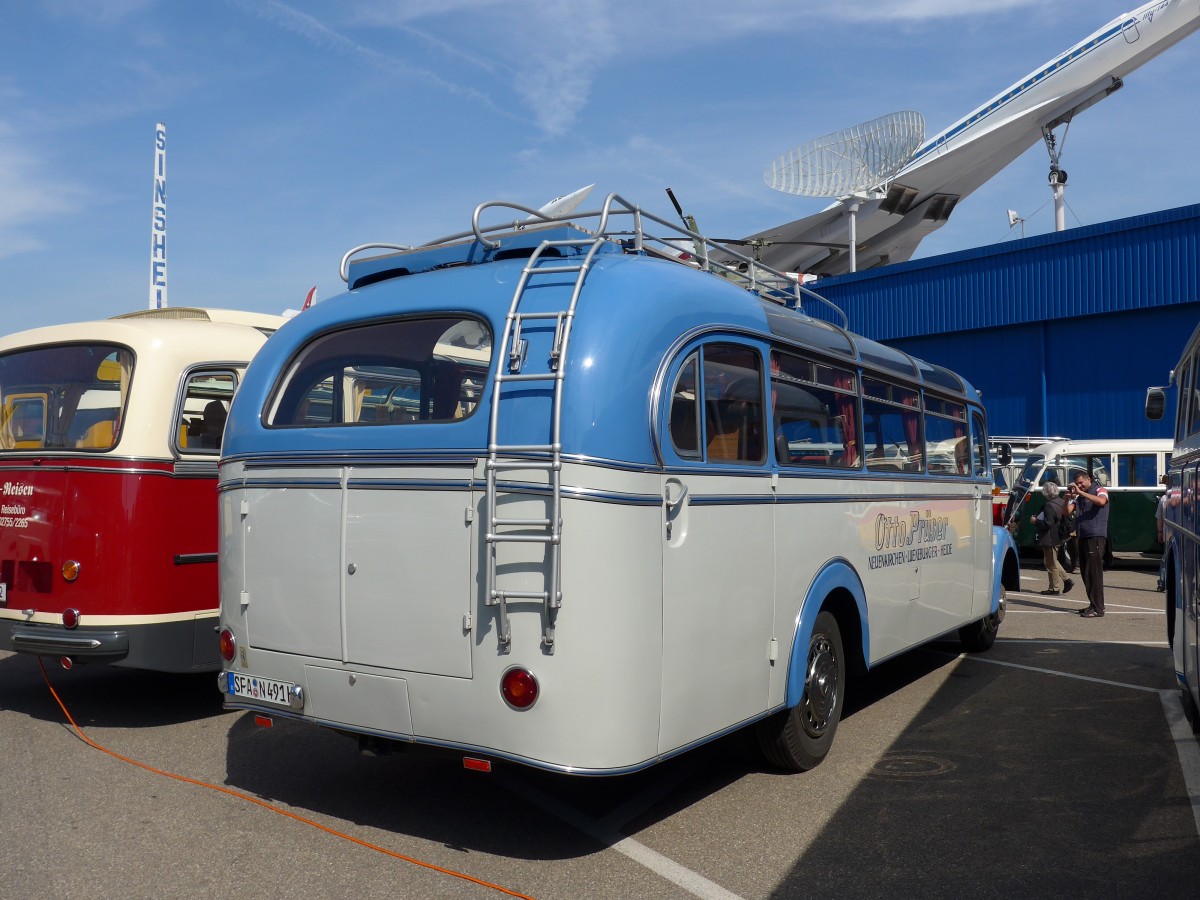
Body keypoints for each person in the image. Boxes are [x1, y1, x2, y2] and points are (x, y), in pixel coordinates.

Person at [1066, 472, 1110, 618]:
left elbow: (1102, 501)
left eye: (1081, 483)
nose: (1079, 486)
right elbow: (1066, 511)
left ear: (1088, 480)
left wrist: (1080, 493)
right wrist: (1067, 498)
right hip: (1083, 536)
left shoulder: (1099, 490)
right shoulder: (1079, 495)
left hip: (1095, 536)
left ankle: (1098, 608)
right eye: (1077, 484)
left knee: (1094, 573)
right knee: (1086, 573)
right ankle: (1093, 604)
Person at [1030, 481, 1074, 596]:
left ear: (1046, 493)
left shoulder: (1049, 505)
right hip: (1059, 536)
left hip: (1049, 537)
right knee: (1052, 561)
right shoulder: (1061, 502)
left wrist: (1036, 521)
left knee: (1050, 564)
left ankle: (1054, 588)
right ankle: (1067, 580)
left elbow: (1047, 523)